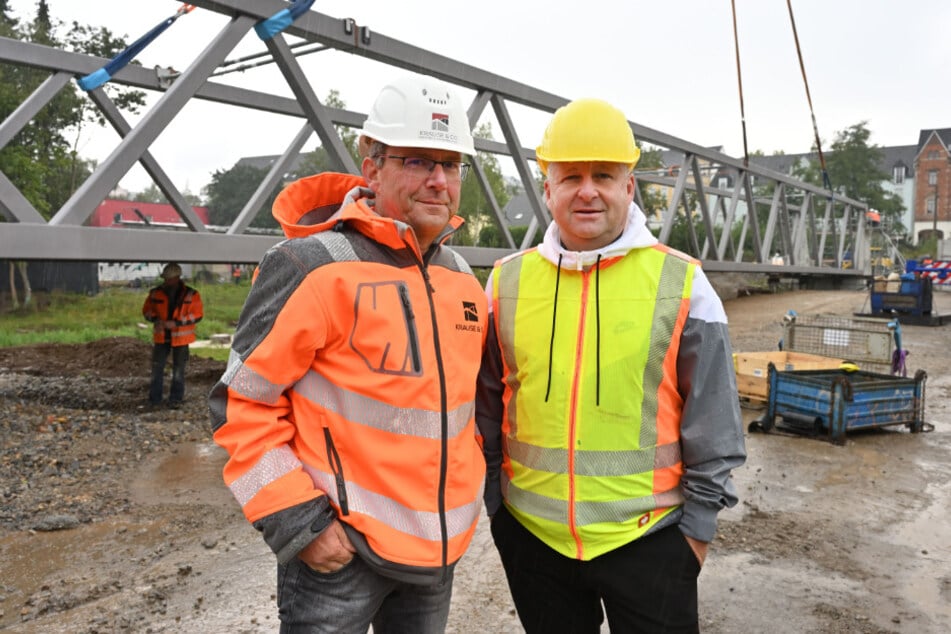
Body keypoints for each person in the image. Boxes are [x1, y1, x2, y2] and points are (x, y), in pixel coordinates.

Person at [208, 74, 488, 633]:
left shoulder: (461, 279)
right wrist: (299, 525)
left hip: (437, 554)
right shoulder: (311, 266)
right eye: (417, 160)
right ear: (372, 165)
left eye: (451, 164)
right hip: (340, 558)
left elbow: (463, 414)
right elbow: (242, 407)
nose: (438, 181)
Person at [476, 98, 747, 633]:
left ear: (629, 185)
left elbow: (714, 422)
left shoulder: (684, 285)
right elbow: (485, 405)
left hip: (651, 541)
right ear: (546, 186)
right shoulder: (505, 284)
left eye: (604, 174)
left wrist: (695, 533)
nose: (587, 190)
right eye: (570, 175)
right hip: (534, 540)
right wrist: (497, 508)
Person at [142, 262, 203, 408]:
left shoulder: (191, 294)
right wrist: (156, 320)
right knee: (157, 368)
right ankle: (155, 399)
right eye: (165, 278)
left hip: (181, 338)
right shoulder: (155, 293)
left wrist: (176, 323)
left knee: (178, 370)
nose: (166, 281)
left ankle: (176, 399)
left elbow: (197, 315)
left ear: (177, 277)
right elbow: (147, 311)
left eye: (169, 278)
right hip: (161, 336)